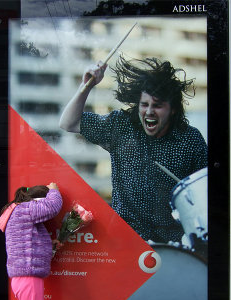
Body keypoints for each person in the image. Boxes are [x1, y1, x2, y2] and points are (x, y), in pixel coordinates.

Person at [59, 56, 207, 243]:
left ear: (173, 109)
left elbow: (207, 193)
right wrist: (87, 85)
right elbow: (68, 122)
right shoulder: (121, 126)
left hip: (172, 246)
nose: (149, 111)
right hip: (124, 242)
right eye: (144, 104)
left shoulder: (190, 139)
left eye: (158, 105)